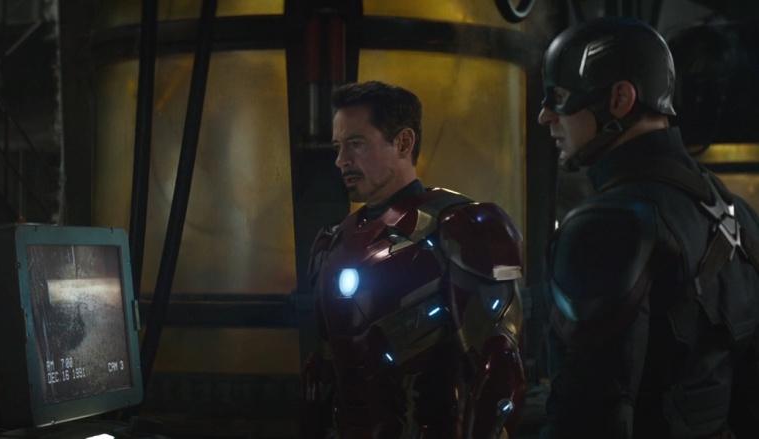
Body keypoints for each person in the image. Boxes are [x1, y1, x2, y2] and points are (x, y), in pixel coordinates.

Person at [537, 17, 759, 438]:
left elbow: (589, 415)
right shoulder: (737, 213)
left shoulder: (605, 225)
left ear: (620, 99)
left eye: (559, 97)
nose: (545, 116)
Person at [301, 81, 526, 438]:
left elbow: (498, 367)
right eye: (337, 147)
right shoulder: (333, 242)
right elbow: (323, 371)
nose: (341, 160)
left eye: (356, 143)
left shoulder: (464, 227)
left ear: (404, 142)